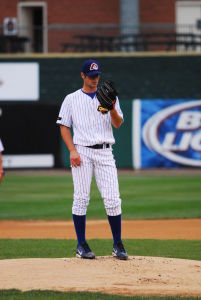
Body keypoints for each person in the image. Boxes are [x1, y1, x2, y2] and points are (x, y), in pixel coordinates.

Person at [57, 59, 128, 260]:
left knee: (113, 199)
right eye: (91, 76)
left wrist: (112, 107)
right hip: (82, 151)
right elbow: (64, 126)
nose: (95, 79)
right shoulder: (71, 99)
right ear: (83, 76)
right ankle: (81, 245)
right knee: (81, 198)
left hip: (105, 151)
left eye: (97, 75)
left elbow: (118, 124)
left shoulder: (109, 96)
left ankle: (117, 244)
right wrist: (72, 150)